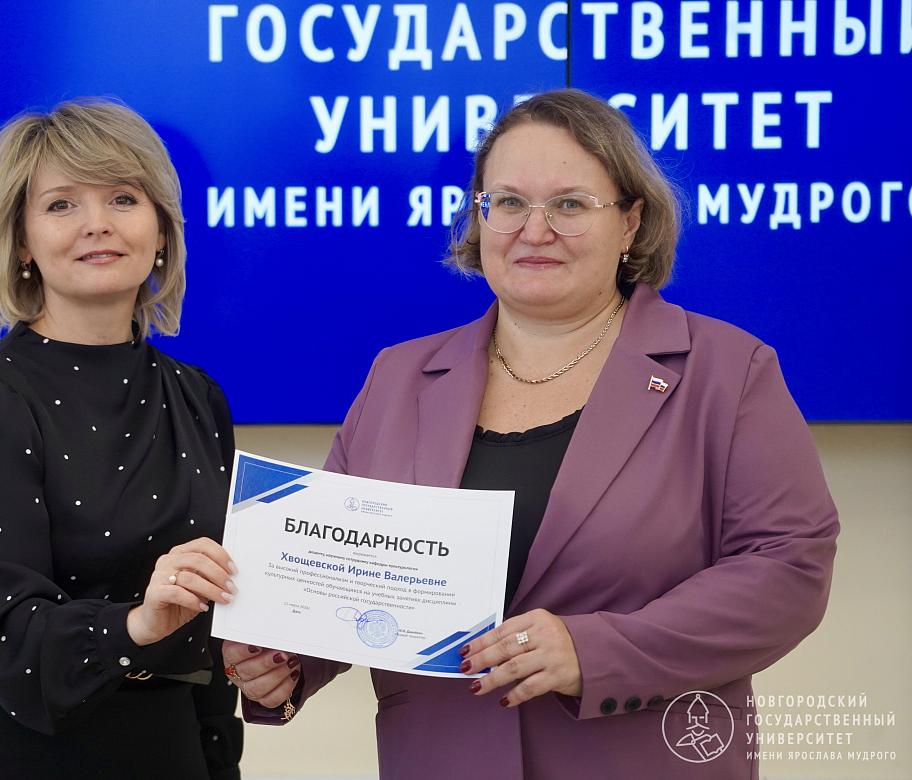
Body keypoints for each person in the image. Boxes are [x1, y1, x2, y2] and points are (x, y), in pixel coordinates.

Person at [223, 89, 838, 779]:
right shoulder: (397, 377)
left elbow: (788, 567)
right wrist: (284, 661)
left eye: (569, 204)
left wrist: (594, 651)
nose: (534, 230)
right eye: (509, 202)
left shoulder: (726, 371)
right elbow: (344, 571)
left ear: (631, 222)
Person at [0, 98, 242, 780]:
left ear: (160, 229)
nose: (97, 224)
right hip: (8, 753)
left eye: (123, 198)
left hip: (167, 747)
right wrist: (138, 624)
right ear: (21, 242)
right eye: (61, 204)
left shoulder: (198, 397)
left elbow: (212, 626)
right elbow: (7, 633)